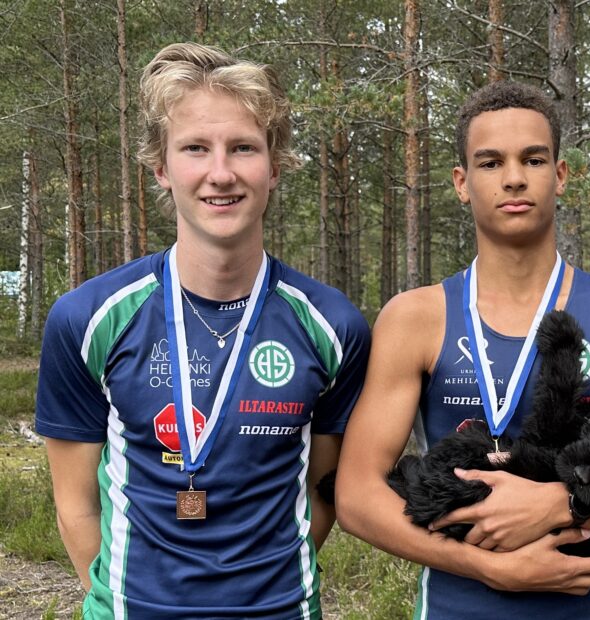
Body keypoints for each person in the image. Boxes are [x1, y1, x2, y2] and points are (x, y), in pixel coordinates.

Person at [335, 81, 590, 619]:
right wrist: (489, 568)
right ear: (462, 183)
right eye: (491, 162)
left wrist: (561, 503)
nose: (514, 177)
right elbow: (355, 496)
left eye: (533, 159)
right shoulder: (415, 318)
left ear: (560, 175)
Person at [35, 43, 370, 619]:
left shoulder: (334, 325)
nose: (221, 173)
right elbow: (75, 506)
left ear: (274, 166)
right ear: (162, 168)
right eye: (195, 148)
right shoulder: (87, 318)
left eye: (243, 147)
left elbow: (323, 495)